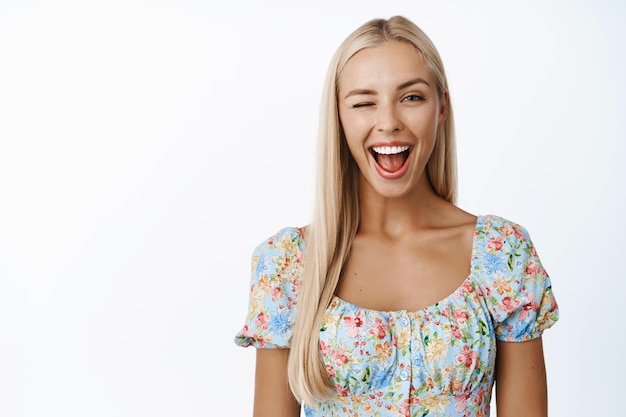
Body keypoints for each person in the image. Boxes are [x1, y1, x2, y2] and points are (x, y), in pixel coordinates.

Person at [234, 15, 559, 417]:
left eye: (411, 98)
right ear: (338, 116)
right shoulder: (289, 263)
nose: (388, 122)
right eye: (363, 102)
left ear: (442, 107)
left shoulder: (501, 255)